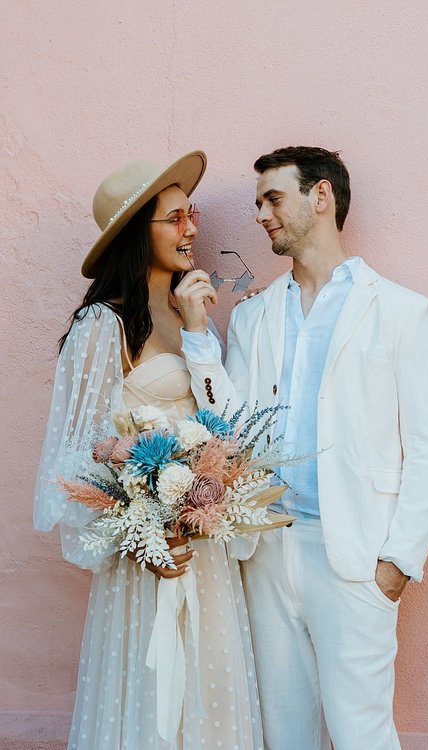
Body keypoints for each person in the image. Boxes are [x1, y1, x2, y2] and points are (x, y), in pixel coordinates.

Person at [174, 146, 428, 749]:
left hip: (355, 557)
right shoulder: (253, 316)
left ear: (320, 196)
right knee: (285, 734)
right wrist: (199, 340)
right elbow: (232, 432)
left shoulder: (401, 311)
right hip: (268, 552)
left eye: (273, 198)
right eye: (257, 203)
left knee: (362, 735)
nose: (261, 214)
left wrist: (398, 563)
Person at [33, 152, 263, 749]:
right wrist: (146, 538)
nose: (192, 229)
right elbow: (78, 456)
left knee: (207, 693)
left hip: (204, 544)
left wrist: (194, 326)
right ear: (140, 233)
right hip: (147, 556)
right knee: (153, 695)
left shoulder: (197, 318)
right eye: (176, 218)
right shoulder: (101, 326)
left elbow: (223, 424)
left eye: (193, 214)